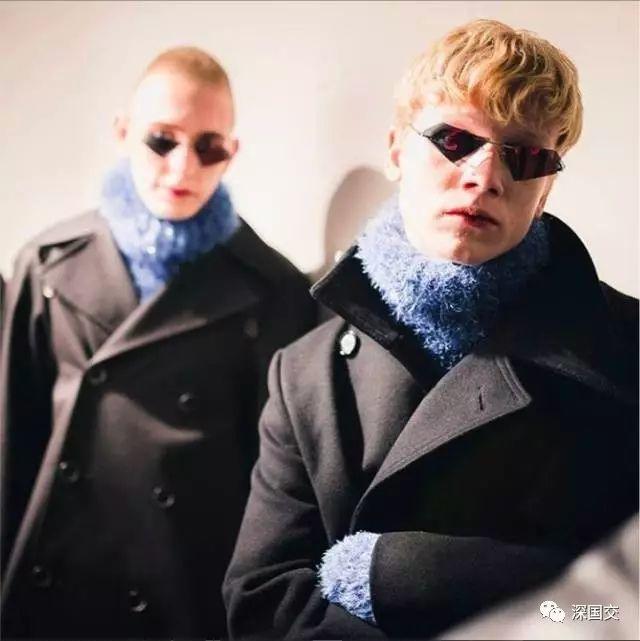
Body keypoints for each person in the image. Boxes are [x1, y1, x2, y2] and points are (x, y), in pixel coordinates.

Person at [223, 19, 638, 640]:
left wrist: (397, 573)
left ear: (547, 186)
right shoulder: (305, 375)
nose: (486, 176)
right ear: (396, 150)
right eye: (454, 139)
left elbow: (611, 610)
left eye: (525, 156)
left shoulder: (626, 348)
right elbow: (260, 606)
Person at [0, 46, 316, 639]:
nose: (182, 167)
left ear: (232, 152)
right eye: (161, 140)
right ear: (123, 133)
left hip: (184, 592)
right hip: (57, 578)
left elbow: (277, 491)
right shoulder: (46, 266)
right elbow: (13, 444)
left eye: (208, 147)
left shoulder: (272, 289)